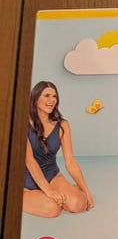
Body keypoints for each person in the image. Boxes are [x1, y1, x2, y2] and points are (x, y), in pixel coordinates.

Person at [23, 81, 94, 218]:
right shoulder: (22, 123)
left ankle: (66, 191)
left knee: (79, 203)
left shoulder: (62, 125)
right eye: (47, 96)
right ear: (35, 98)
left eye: (54, 96)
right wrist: (48, 191)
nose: (52, 100)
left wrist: (87, 192)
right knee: (53, 209)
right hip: (26, 182)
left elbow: (70, 162)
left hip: (52, 176)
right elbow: (29, 161)